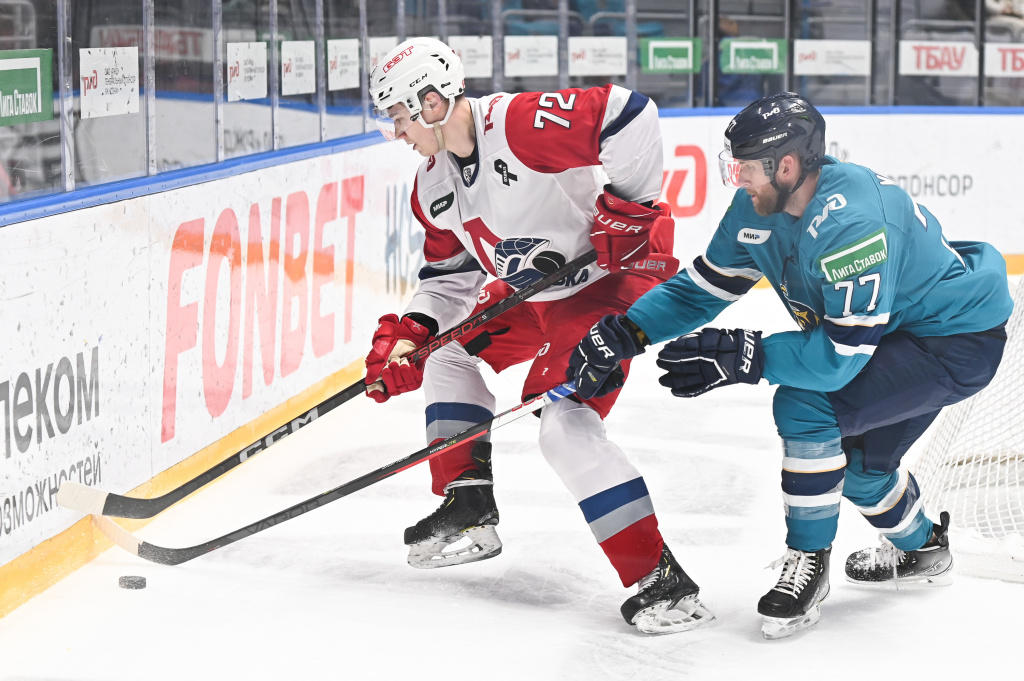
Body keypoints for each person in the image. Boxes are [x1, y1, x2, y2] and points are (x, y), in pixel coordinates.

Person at [567, 92, 1013, 639]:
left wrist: (747, 356)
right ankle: (924, 550)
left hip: (953, 340)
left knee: (806, 404)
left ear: (786, 166)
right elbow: (703, 289)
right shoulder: (757, 208)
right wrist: (628, 332)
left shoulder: (852, 224)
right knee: (861, 472)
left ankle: (808, 564)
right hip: (897, 331)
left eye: (745, 168)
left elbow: (838, 360)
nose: (736, 180)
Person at [364, 36, 714, 634]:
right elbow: (449, 280)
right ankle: (468, 502)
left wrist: (632, 206)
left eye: (399, 115)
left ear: (431, 102)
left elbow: (631, 114)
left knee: (564, 425)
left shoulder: (517, 125)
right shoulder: (432, 187)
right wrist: (411, 335)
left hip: (603, 286)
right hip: (533, 298)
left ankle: (663, 582)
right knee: (445, 356)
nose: (397, 132)